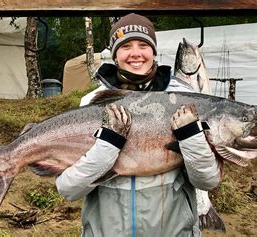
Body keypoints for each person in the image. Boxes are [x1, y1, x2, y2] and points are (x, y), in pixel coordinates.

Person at [55, 13, 221, 236]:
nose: (135, 53)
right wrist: (108, 145)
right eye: (125, 46)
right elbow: (69, 190)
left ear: (153, 52)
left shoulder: (185, 101)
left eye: (143, 45)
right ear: (115, 55)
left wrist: (191, 136)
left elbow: (207, 180)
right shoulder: (92, 103)